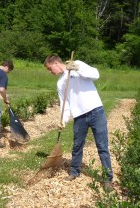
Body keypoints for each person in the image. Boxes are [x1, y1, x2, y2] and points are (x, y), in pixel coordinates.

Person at [44, 54, 113, 190]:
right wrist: (62, 121)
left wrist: (77, 68)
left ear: (56, 63)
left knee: (102, 147)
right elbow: (65, 104)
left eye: (49, 68)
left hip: (96, 111)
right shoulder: (60, 83)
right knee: (77, 146)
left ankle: (107, 179)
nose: (50, 72)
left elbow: (95, 74)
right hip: (80, 117)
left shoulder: (77, 64)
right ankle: (74, 172)